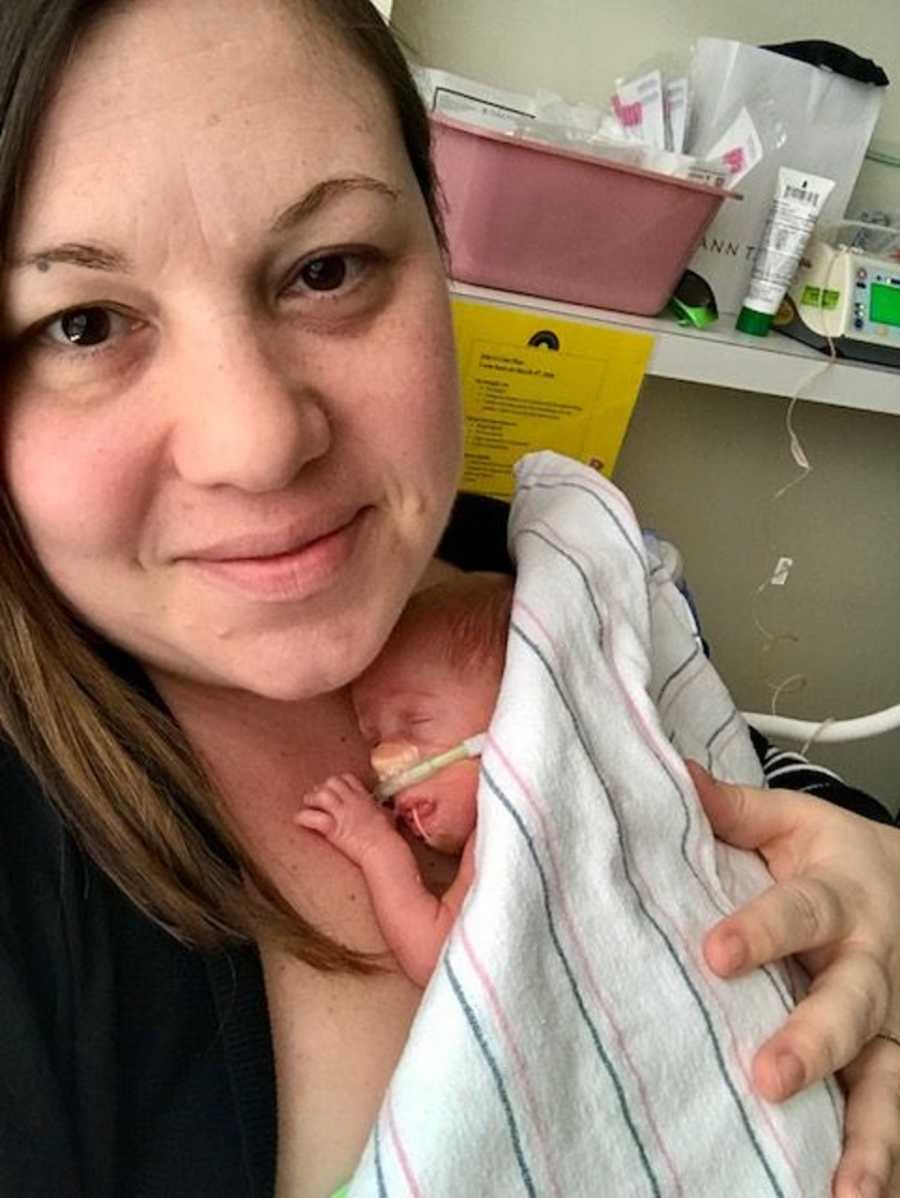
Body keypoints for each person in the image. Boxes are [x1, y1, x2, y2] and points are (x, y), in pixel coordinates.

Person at [0, 1, 899, 1195]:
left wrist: (871, 874)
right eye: (85, 323)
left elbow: (715, 769)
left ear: (440, 241)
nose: (259, 442)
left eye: (327, 269)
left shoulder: (542, 574)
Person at [298, 573, 512, 986]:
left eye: (416, 721)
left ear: (516, 706)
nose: (381, 759)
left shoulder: (521, 816)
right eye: (373, 738)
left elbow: (439, 958)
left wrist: (377, 847)